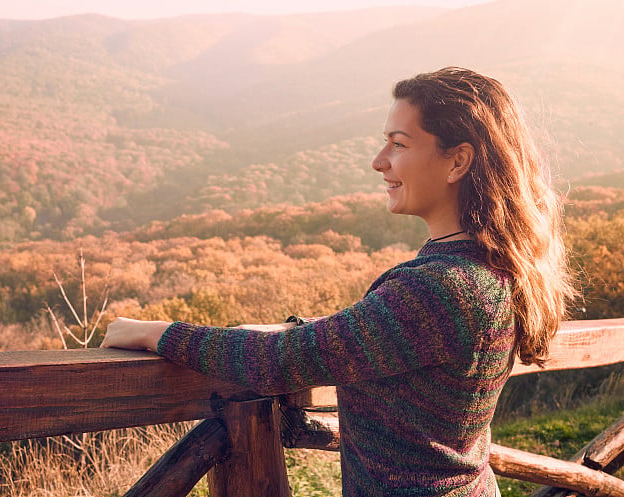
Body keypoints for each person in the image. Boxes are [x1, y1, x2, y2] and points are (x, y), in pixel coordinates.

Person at [102, 67, 575, 496]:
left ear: (457, 162)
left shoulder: (439, 288)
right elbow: (374, 336)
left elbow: (275, 364)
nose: (379, 160)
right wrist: (302, 327)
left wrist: (153, 332)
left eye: (399, 143)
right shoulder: (488, 271)